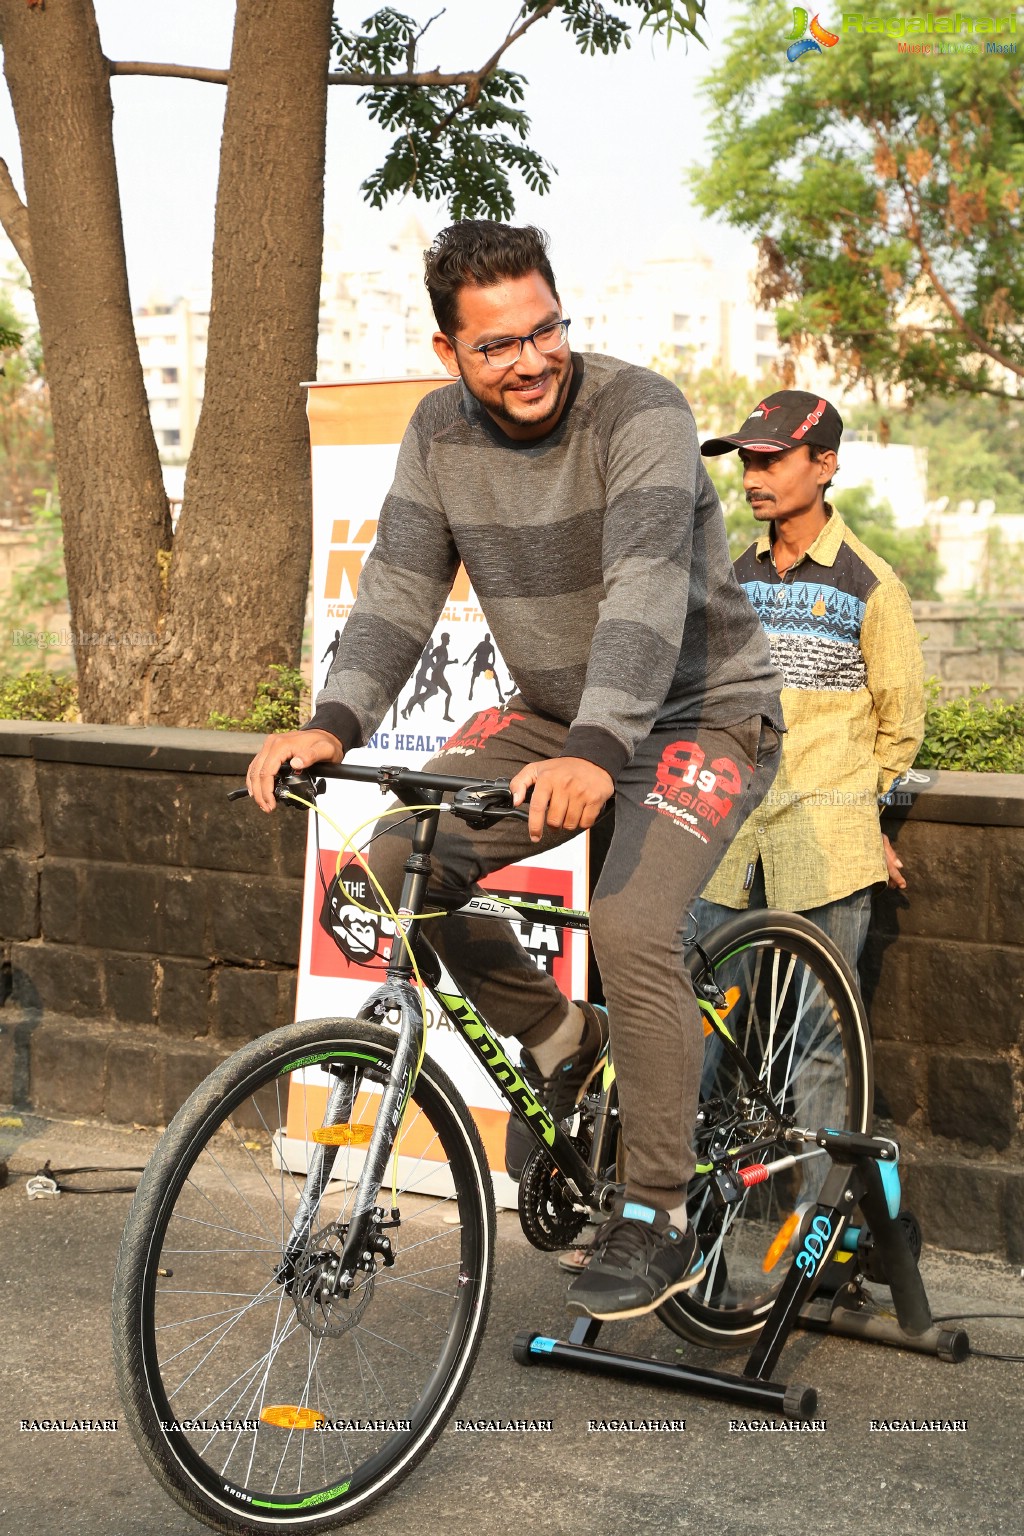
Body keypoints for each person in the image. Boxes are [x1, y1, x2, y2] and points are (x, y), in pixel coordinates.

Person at [247, 221, 784, 1321]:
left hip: (699, 715)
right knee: (387, 868)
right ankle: (561, 1038)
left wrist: (601, 746)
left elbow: (642, 588)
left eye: (545, 330)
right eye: (497, 346)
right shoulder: (436, 434)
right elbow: (396, 589)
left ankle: (655, 1210)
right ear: (449, 352)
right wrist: (333, 720)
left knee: (631, 930)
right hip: (557, 717)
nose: (531, 359)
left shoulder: (641, 409)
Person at [693, 390, 925, 978]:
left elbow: (901, 724)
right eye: (746, 462)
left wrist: (852, 810)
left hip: (829, 855)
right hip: (725, 842)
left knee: (821, 1040)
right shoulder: (731, 580)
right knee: (701, 1033)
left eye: (770, 460)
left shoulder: (873, 586)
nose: (752, 477)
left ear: (824, 465)